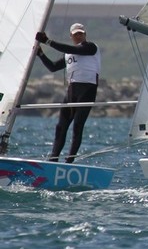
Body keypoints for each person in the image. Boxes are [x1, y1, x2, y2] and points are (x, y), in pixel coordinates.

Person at [35, 23, 101, 163]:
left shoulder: (91, 47)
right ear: (71, 36)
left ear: (85, 34)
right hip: (72, 92)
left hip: (87, 91)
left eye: (81, 33)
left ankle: (69, 161)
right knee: (61, 127)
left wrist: (48, 41)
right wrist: (40, 54)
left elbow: (70, 48)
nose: (78, 35)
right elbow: (52, 67)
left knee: (77, 126)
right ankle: (53, 159)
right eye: (76, 34)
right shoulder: (68, 55)